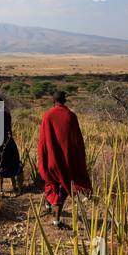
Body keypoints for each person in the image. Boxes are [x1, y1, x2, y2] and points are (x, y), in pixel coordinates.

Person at [38, 91, 92, 229]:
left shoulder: (47, 115)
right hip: (67, 157)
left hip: (51, 156)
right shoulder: (71, 116)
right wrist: (78, 158)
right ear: (65, 101)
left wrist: (43, 155)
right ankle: (56, 219)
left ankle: (48, 203)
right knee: (63, 183)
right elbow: (78, 140)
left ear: (53, 101)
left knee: (51, 179)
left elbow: (43, 139)